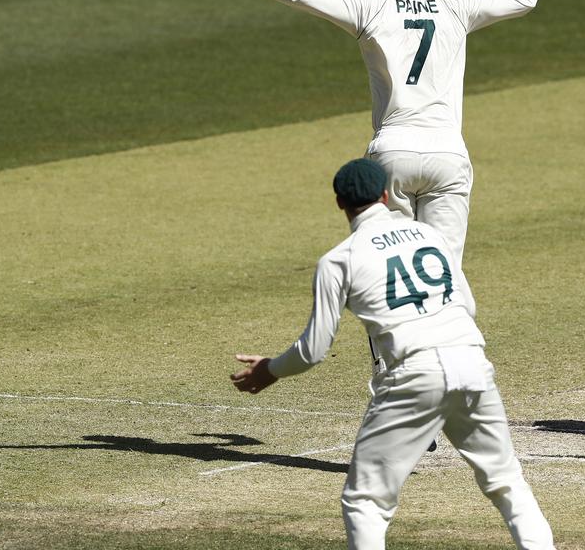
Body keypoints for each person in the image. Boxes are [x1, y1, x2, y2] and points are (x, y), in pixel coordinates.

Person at [229, 158, 555, 550]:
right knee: (506, 482)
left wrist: (270, 370)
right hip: (471, 361)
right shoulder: (428, 234)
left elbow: (314, 350)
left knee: (365, 501)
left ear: (339, 204)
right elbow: (466, 306)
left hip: (413, 374)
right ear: (385, 195)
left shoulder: (338, 260)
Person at [203, 0, 547, 265]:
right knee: (444, 273)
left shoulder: (369, 8)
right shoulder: (456, 7)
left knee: (394, 269)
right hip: (448, 154)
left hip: (392, 152)